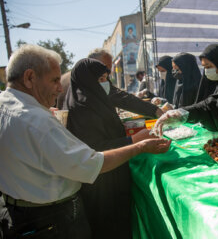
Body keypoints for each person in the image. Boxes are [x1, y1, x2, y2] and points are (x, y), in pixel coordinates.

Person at [0, 45, 171, 238]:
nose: (59, 88)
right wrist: (138, 145)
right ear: (30, 78)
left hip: (15, 213)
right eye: (55, 80)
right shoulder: (37, 121)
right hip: (49, 220)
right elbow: (92, 163)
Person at [64, 58, 156, 238]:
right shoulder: (82, 107)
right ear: (88, 80)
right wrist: (133, 141)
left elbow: (122, 98)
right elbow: (94, 150)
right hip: (102, 185)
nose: (105, 84)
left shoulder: (93, 97)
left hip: (111, 175)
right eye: (100, 79)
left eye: (106, 78)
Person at [56, 48, 163, 118]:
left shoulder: (73, 75)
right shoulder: (91, 79)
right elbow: (120, 98)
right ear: (93, 63)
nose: (108, 72)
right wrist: (155, 111)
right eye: (106, 67)